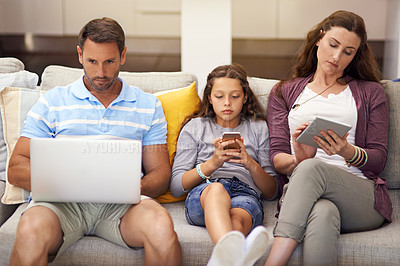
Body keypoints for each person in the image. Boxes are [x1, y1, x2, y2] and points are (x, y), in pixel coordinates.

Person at [8, 17, 182, 266]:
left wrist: (123, 187)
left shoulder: (147, 105)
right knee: (30, 230)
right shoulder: (53, 102)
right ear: (80, 55)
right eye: (92, 61)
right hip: (60, 205)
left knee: (161, 227)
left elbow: (160, 173)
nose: (101, 73)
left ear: (123, 56)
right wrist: (70, 181)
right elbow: (16, 168)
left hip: (122, 207)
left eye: (109, 61)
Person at [264, 10, 392, 265]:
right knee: (323, 213)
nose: (336, 56)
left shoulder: (371, 92)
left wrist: (347, 151)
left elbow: (378, 160)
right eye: (333, 45)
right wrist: (298, 160)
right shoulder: (284, 92)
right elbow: (276, 156)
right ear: (319, 39)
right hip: (306, 195)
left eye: (348, 51)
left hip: (361, 197)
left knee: (312, 167)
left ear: (356, 55)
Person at [170, 64, 278, 266]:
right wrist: (213, 163)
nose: (227, 103)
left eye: (235, 96)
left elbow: (272, 192)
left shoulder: (258, 127)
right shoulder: (195, 127)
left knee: (236, 222)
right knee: (217, 189)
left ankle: (228, 260)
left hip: (245, 194)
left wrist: (250, 164)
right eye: (219, 96)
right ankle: (232, 256)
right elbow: (176, 187)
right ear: (209, 98)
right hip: (205, 195)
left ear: (245, 97)